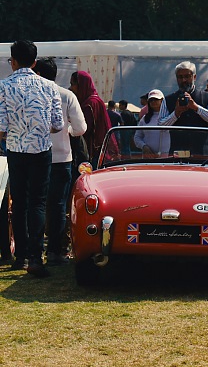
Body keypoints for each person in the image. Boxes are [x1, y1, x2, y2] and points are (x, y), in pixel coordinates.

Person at [0, 41, 64, 277]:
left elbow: (0, 126)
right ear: (35, 62)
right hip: (41, 149)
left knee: (19, 203)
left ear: (13, 61)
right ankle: (36, 257)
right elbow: (57, 125)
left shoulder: (4, 86)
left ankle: (21, 257)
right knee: (38, 202)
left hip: (16, 149)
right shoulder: (49, 86)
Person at [33, 58, 87, 266]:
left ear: (37, 73)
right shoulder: (67, 95)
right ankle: (57, 252)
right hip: (62, 157)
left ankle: (34, 252)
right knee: (58, 206)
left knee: (36, 204)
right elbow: (81, 129)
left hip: (36, 155)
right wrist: (67, 131)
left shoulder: (34, 95)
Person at [158, 61, 208, 154]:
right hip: (178, 153)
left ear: (194, 77)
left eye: (187, 76)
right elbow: (160, 126)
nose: (184, 80)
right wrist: (175, 114)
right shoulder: (168, 99)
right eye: (180, 77)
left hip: (202, 154)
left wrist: (196, 108)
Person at [71, 71, 119, 168]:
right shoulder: (92, 101)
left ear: (82, 85)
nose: (71, 88)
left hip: (92, 151)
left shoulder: (91, 103)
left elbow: (85, 128)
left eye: (73, 84)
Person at [134, 89, 170, 157]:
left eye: (156, 99)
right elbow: (137, 137)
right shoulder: (145, 119)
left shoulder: (169, 117)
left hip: (167, 158)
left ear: (162, 100)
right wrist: (144, 147)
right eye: (151, 100)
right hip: (148, 158)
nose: (153, 102)